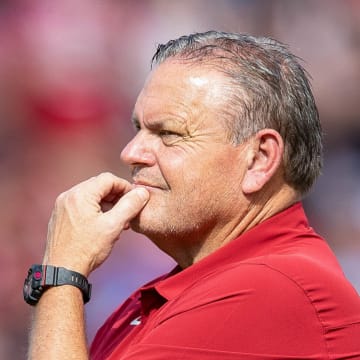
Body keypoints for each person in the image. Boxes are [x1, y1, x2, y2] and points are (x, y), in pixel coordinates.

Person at [25, 31, 360, 359]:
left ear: (259, 159)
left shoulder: (273, 288)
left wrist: (61, 274)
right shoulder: (190, 290)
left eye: (168, 133)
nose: (130, 152)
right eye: (138, 129)